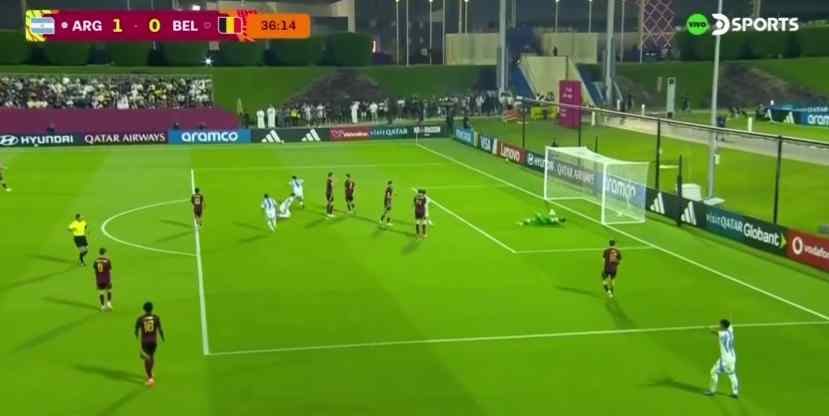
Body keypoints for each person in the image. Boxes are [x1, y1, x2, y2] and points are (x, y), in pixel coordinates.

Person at [705, 319, 739, 398]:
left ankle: (712, 390)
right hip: (732, 357)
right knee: (732, 374)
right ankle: (735, 392)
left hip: (725, 359)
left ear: (723, 326)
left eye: (720, 324)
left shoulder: (722, 333)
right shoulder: (730, 331)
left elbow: (714, 332)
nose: (719, 325)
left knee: (713, 372)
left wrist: (710, 328)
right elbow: (729, 325)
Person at [135, 302, 165, 387]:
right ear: (152, 309)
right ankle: (151, 372)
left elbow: (136, 329)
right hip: (154, 341)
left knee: (146, 359)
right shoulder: (156, 318)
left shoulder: (140, 318)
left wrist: (137, 335)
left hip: (145, 341)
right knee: (151, 356)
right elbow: (160, 329)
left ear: (144, 309)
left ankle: (150, 378)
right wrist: (162, 337)